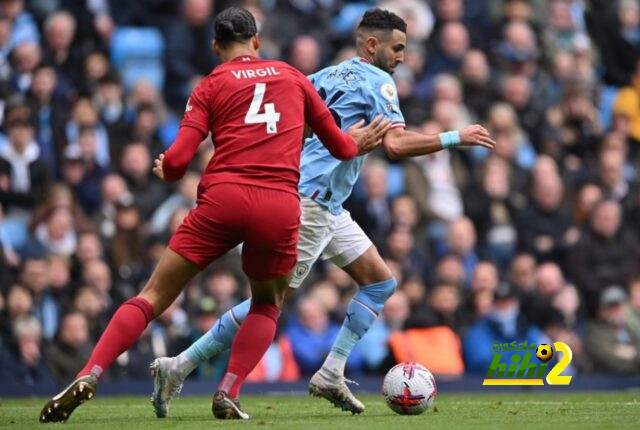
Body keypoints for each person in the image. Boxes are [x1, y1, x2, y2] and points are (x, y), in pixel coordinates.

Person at [39, 6, 387, 423]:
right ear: (257, 41)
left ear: (215, 46)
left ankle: (89, 373)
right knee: (266, 304)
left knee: (152, 296)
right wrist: (359, 140)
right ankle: (228, 390)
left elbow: (178, 162)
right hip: (278, 204)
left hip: (223, 199)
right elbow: (342, 149)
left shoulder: (210, 85)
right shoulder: (292, 76)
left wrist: (163, 167)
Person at [152, 8, 495, 418]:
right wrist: (456, 136)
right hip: (310, 204)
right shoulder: (380, 82)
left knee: (380, 283)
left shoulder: (322, 76)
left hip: (325, 203)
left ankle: (331, 371)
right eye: (398, 47)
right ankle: (181, 365)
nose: (403, 56)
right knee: (268, 304)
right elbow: (396, 146)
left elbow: (290, 129)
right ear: (372, 44)